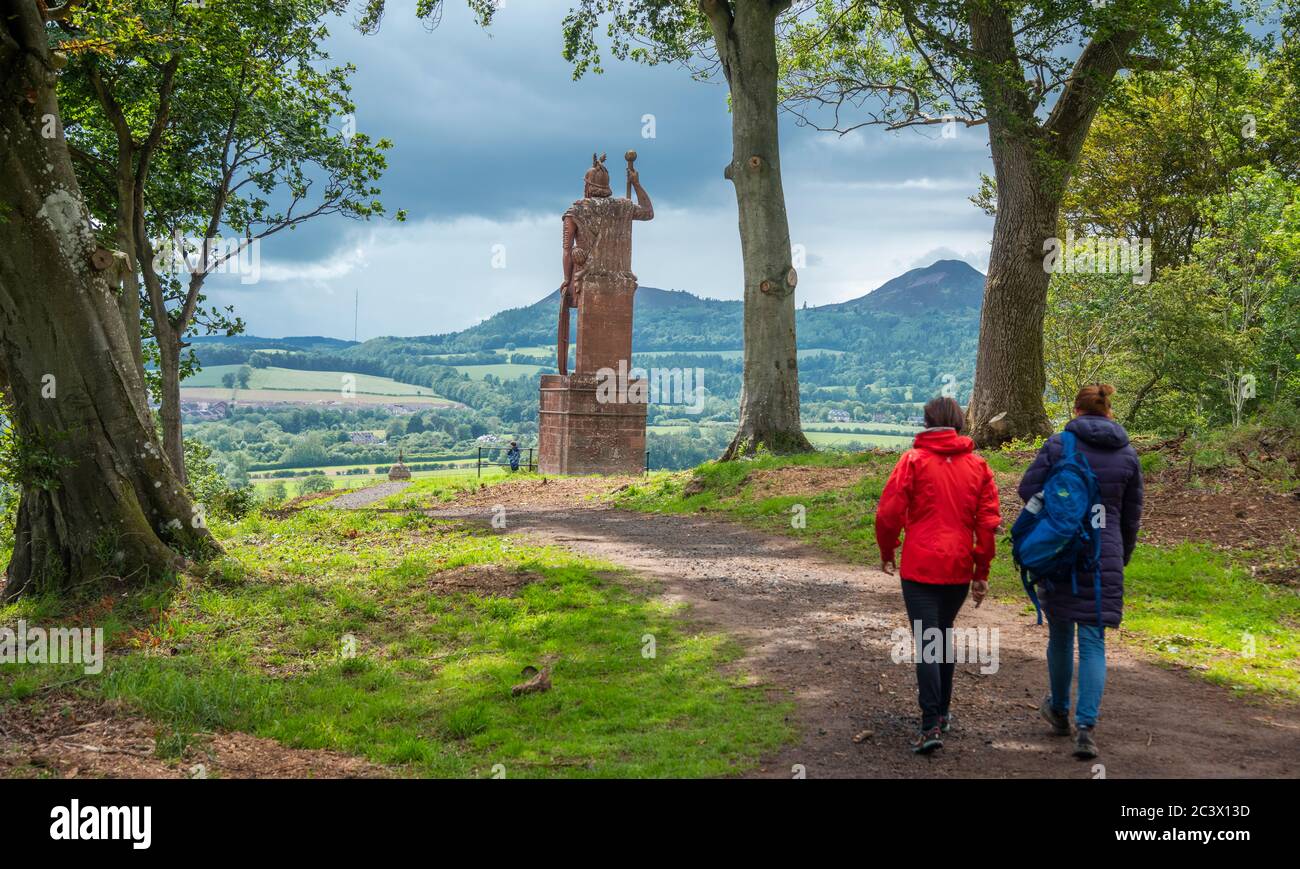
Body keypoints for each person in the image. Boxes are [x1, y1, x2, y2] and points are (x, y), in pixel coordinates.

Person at [1018, 384, 1143, 760]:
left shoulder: (1059, 445)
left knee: (1059, 634)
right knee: (1093, 642)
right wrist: (1121, 555)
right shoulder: (1128, 455)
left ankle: (1058, 711)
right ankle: (1086, 728)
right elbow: (1132, 517)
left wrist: (1058, 511)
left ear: (1075, 410)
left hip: (1062, 553)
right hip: (1105, 555)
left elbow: (1028, 488)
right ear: (1109, 410)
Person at [875, 396, 1001, 754]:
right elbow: (988, 525)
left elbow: (888, 513)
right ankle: (942, 713)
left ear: (926, 422)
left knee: (928, 642)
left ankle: (931, 723)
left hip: (920, 566)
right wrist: (981, 571)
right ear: (958, 423)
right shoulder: (978, 466)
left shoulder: (913, 461)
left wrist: (888, 550)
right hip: (958, 567)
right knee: (941, 637)